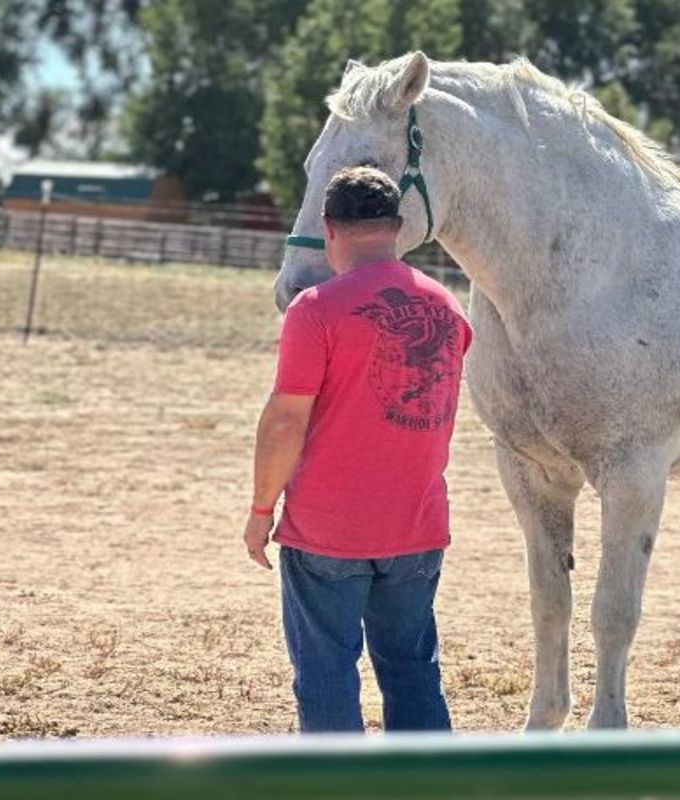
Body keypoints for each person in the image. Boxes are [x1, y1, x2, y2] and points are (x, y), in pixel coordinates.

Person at [243, 165, 471, 733]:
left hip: (328, 530)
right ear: (396, 226)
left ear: (329, 228)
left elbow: (283, 423)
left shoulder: (316, 308)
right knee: (413, 670)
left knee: (325, 672)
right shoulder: (447, 306)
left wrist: (260, 510)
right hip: (416, 525)